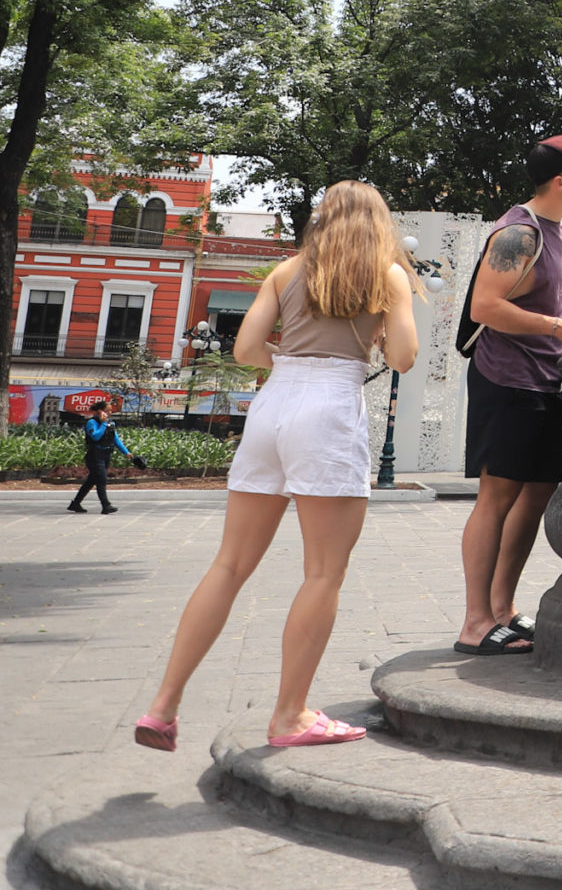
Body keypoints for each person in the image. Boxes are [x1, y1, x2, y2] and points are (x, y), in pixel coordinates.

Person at [133, 181, 420, 753]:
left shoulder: (286, 272)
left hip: (274, 403)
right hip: (331, 407)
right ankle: (289, 715)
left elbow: (244, 351)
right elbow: (405, 359)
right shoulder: (385, 275)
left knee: (230, 563)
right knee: (322, 573)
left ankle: (163, 706)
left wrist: (287, 362)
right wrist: (384, 324)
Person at [454, 135, 562, 656]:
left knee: (537, 495)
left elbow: (558, 305)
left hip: (546, 379)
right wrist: (557, 327)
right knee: (497, 498)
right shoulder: (518, 233)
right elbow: (487, 307)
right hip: (506, 380)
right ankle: (474, 623)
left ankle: (503, 611)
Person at [66, 402, 138, 514]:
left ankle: (75, 503)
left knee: (91, 481)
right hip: (94, 455)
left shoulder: (111, 423)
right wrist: (103, 424)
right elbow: (95, 436)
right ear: (99, 411)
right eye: (107, 410)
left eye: (110, 410)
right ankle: (106, 505)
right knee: (101, 479)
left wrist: (126, 452)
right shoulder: (92, 422)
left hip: (106, 455)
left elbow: (115, 439)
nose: (110, 413)